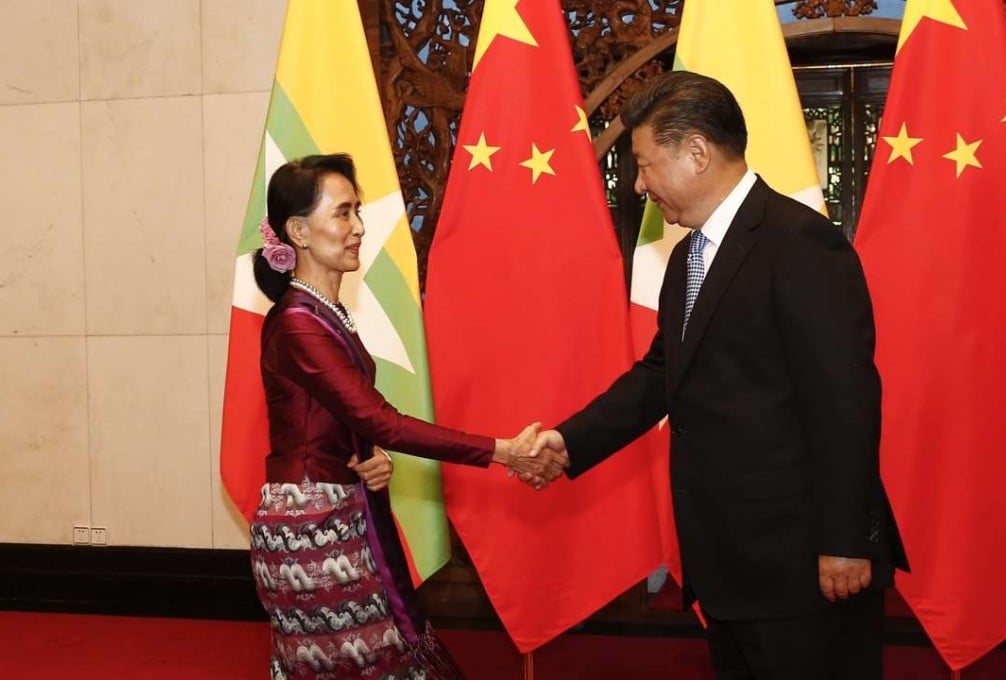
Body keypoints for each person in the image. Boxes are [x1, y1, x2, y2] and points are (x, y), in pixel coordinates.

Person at [528, 71, 908, 679]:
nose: (639, 183)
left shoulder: (800, 243)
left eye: (646, 164)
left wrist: (845, 539)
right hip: (730, 566)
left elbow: (846, 403)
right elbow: (660, 375)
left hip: (806, 568)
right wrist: (570, 441)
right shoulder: (689, 256)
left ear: (697, 153)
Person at [250, 153, 566, 680]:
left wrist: (368, 457)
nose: (358, 228)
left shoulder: (321, 314)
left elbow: (341, 421)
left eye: (358, 212)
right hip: (313, 531)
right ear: (298, 232)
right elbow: (380, 419)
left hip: (339, 514)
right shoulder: (298, 325)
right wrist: (502, 450)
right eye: (343, 213)